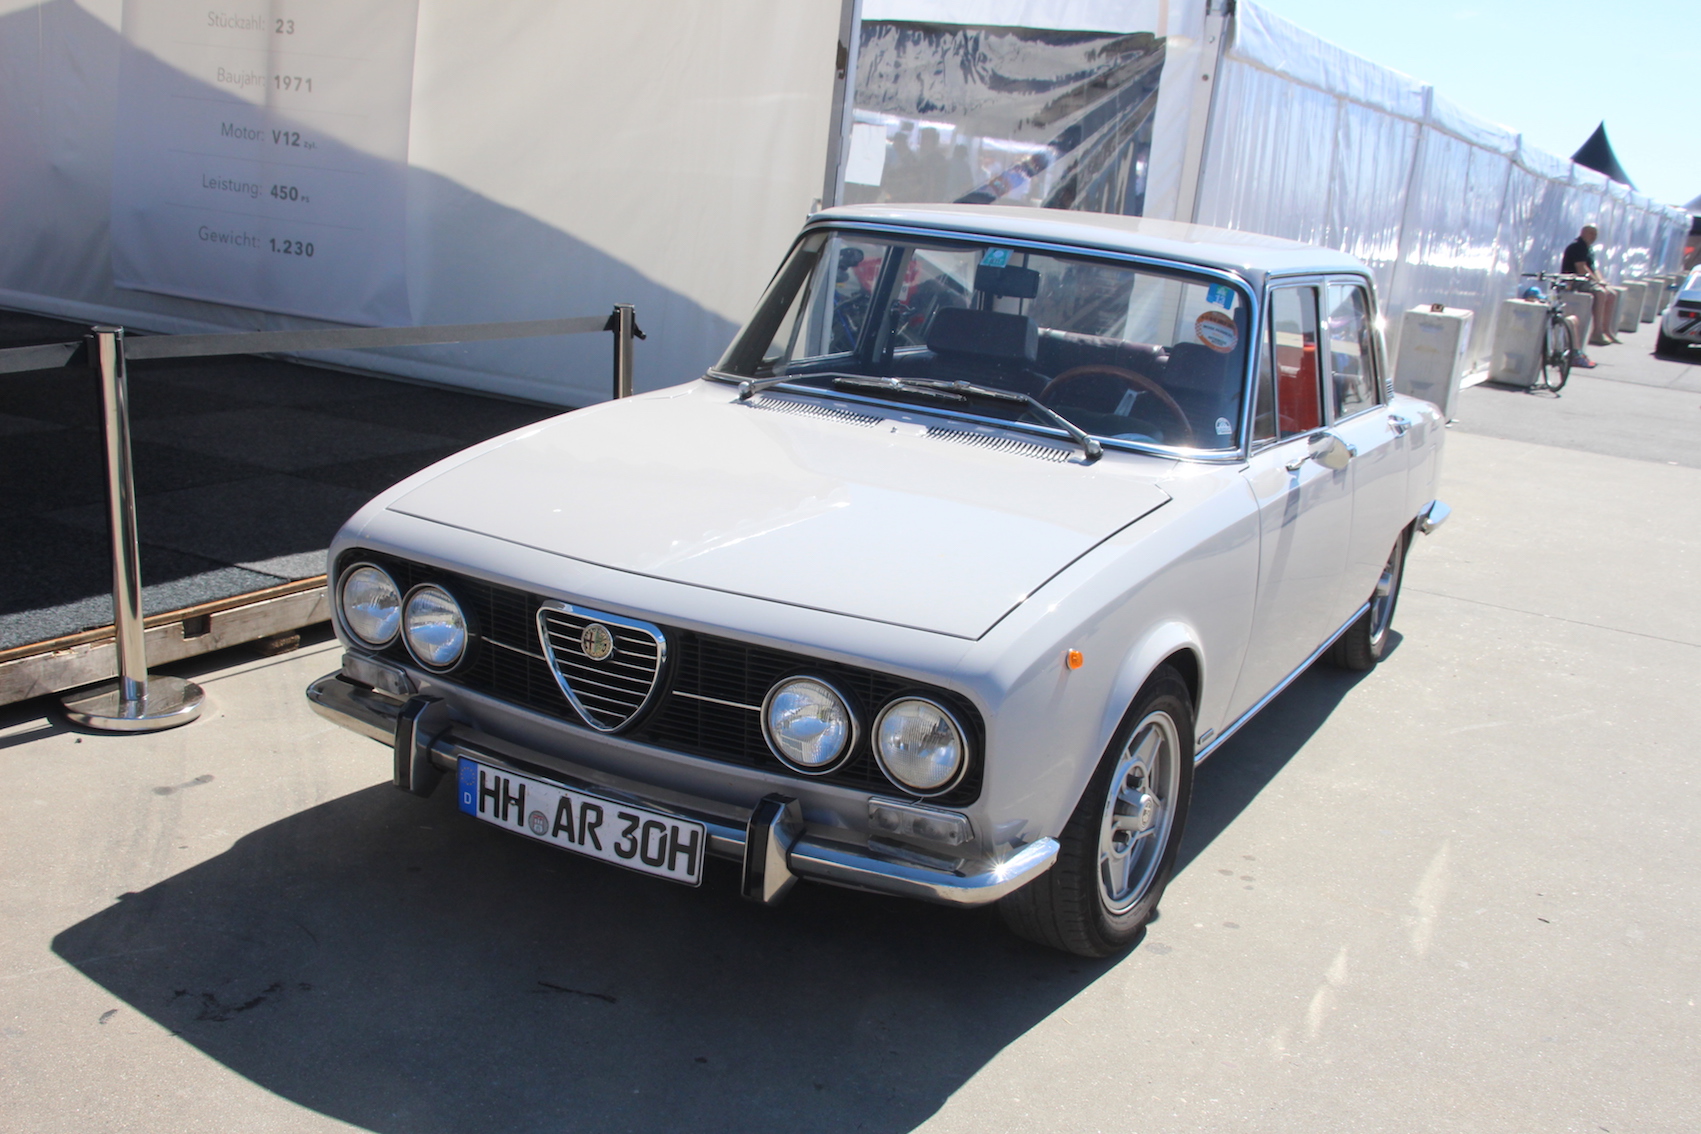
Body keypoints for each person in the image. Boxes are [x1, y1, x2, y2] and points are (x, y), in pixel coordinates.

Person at [1561, 225, 1621, 346]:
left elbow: (1593, 269)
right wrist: (1597, 282)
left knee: (1612, 294)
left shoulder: (1588, 249)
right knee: (1600, 293)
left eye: (1595, 234)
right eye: (1591, 233)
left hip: (1585, 280)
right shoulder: (1577, 247)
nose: (1593, 237)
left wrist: (1602, 281)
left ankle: (1606, 330)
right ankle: (1596, 332)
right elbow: (1581, 268)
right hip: (1574, 281)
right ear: (1582, 233)